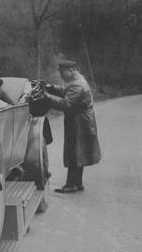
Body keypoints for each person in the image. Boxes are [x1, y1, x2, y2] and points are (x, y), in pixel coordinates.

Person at [44, 60, 101, 193]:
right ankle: (77, 183)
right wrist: (50, 87)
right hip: (81, 120)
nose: (61, 75)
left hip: (79, 122)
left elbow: (65, 103)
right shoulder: (76, 80)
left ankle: (71, 185)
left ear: (70, 70)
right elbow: (65, 90)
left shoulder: (77, 84)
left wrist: (45, 96)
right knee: (78, 151)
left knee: (75, 152)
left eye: (62, 72)